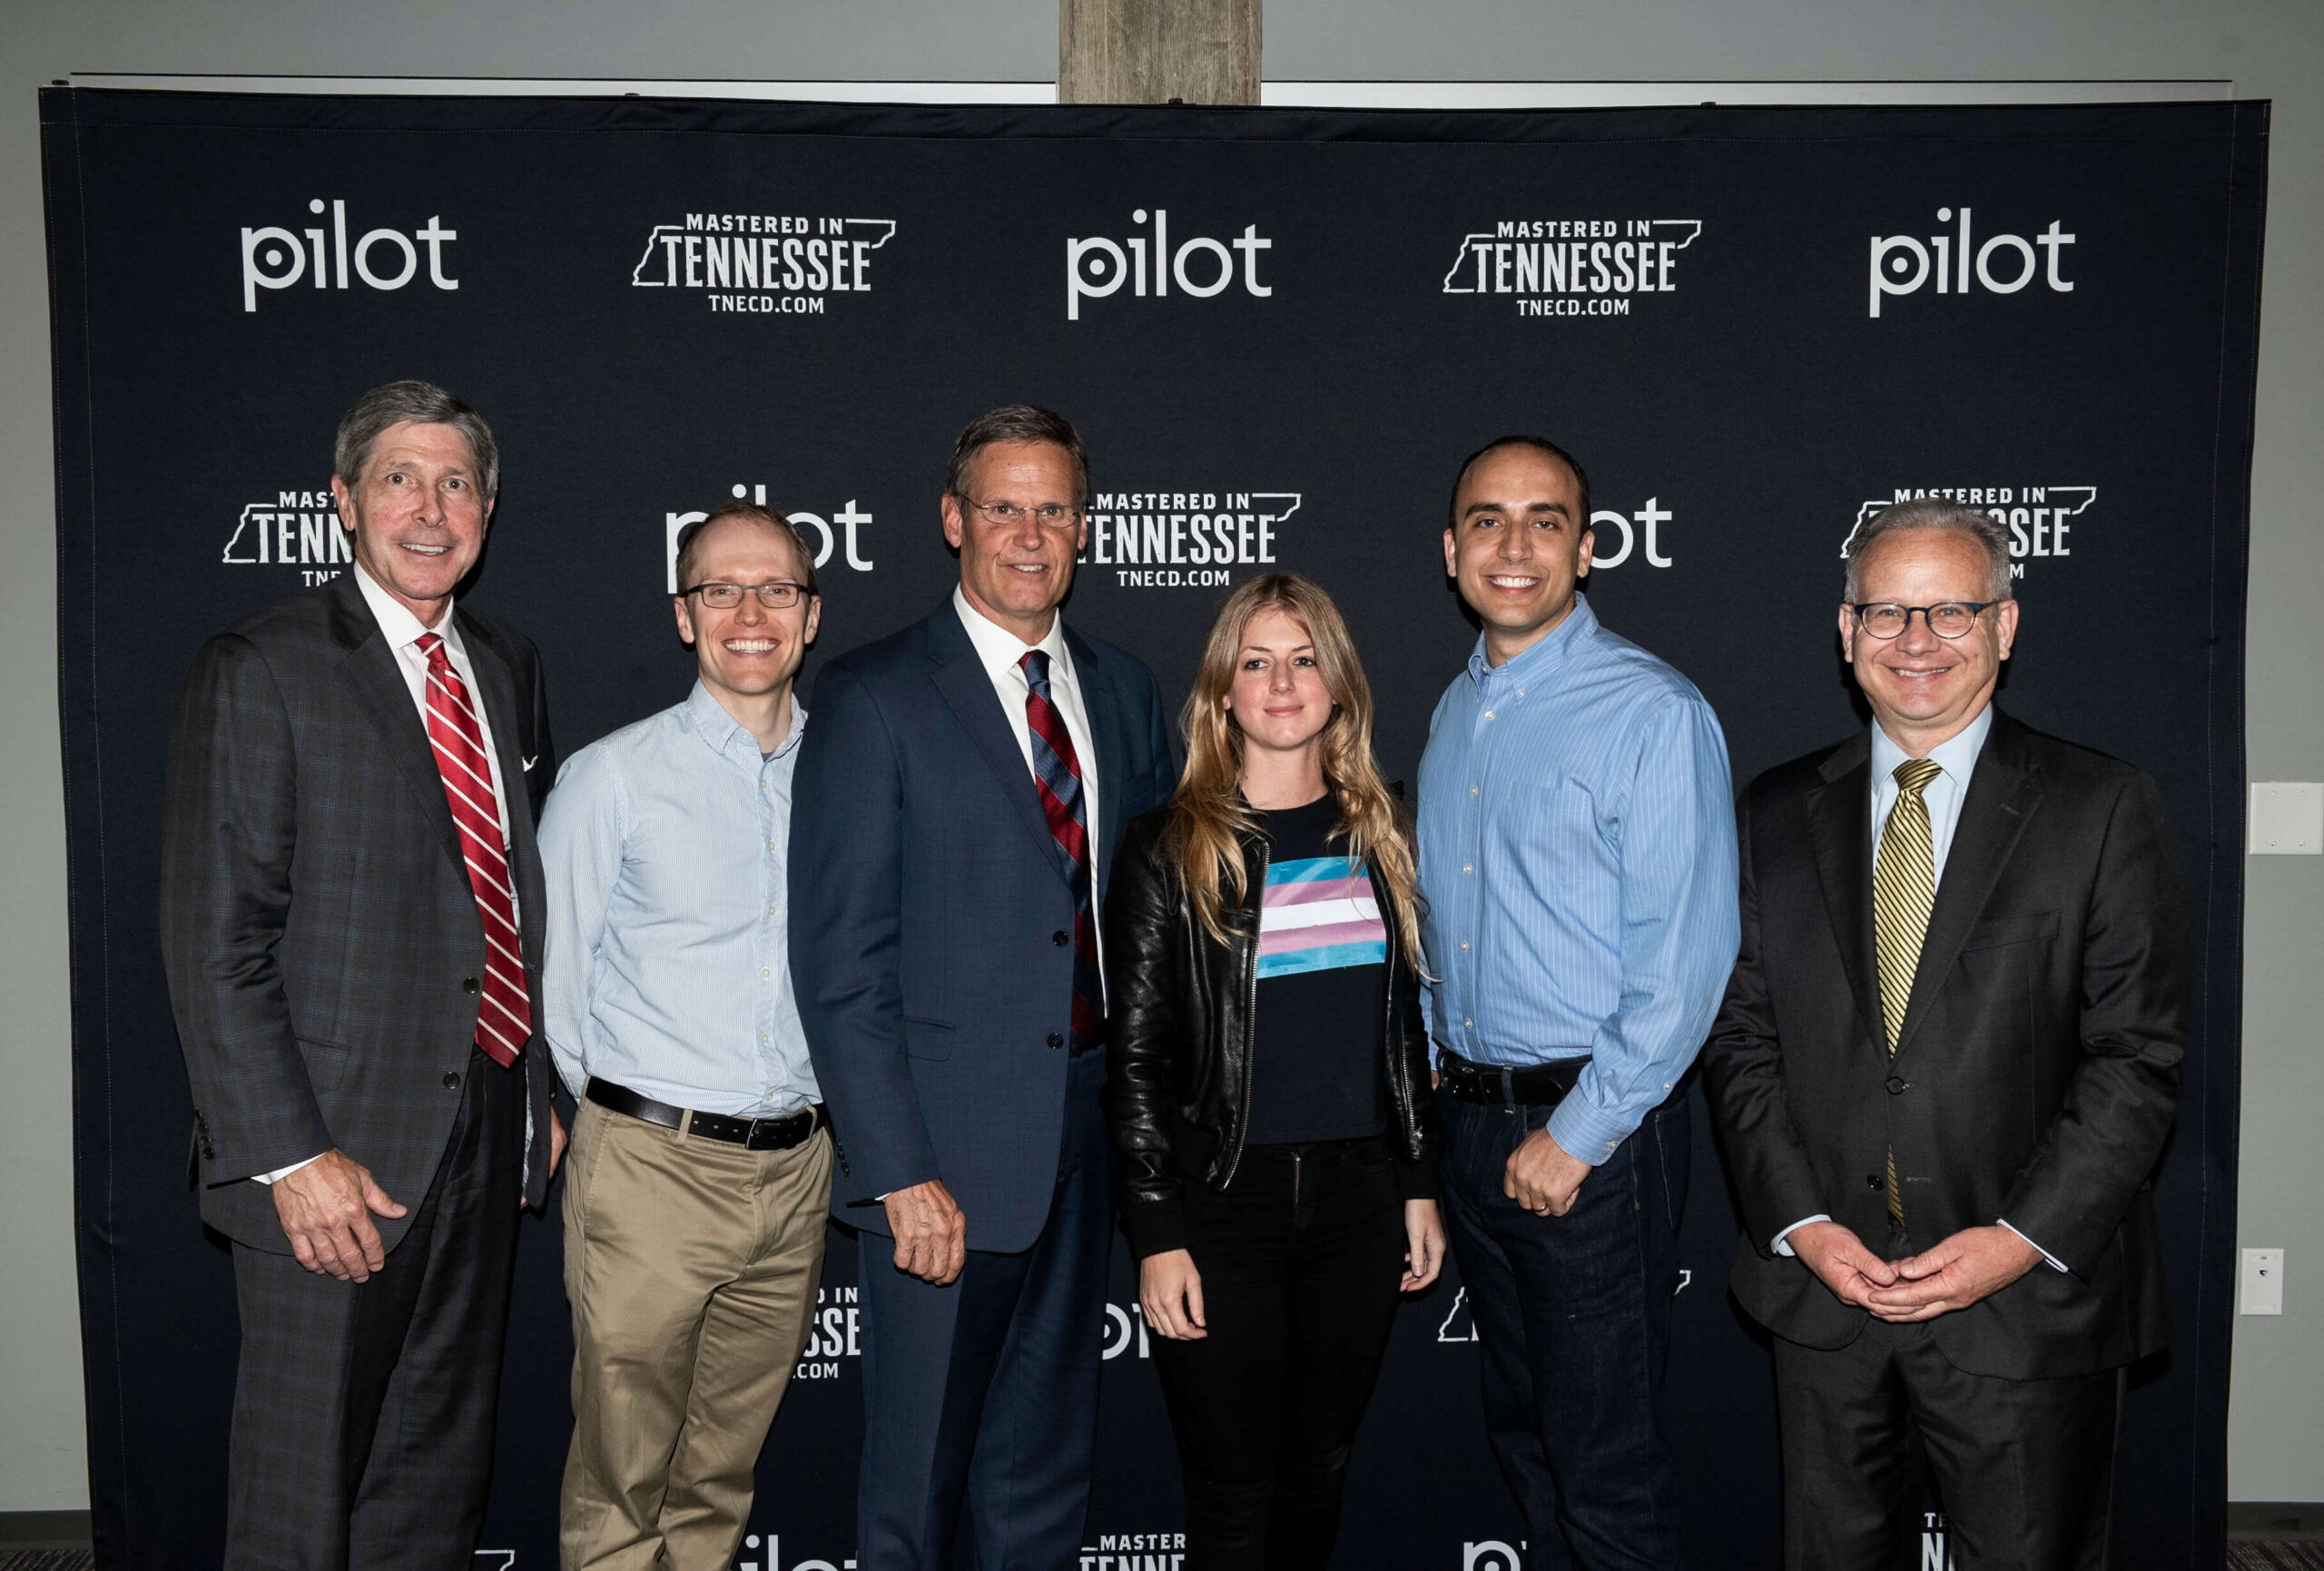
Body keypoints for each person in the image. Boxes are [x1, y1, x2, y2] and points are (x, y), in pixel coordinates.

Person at [1699, 497, 2190, 1568]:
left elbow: (2136, 1058)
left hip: (2026, 1305)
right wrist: (1805, 1228)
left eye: (1951, 611)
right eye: (1886, 613)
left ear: (2005, 626)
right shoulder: (1774, 812)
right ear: (1845, 630)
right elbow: (1740, 1041)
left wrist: (2013, 1243)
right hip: (1827, 1298)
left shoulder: (2101, 804)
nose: (1915, 642)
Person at [160, 380, 560, 1569]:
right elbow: (213, 936)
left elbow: (508, 896)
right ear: (343, 499)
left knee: (430, 1490)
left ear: (487, 505)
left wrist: (533, 1094)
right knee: (300, 1504)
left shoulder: (504, 661)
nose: (429, 508)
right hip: (328, 1159)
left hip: (482, 1136)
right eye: (399, 477)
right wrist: (288, 1154)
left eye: (456, 482)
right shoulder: (263, 667)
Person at [788, 405, 1177, 1569]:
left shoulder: (1121, 690)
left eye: (1052, 509)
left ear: (1085, 529)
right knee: (916, 1491)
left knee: (1043, 1476)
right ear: (952, 520)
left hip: (1088, 1136)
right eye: (1002, 506)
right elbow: (839, 962)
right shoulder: (872, 696)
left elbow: (1151, 922)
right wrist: (897, 1168)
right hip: (940, 1162)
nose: (1027, 533)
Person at [1416, 435, 1738, 1571]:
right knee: (1531, 1448)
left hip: (1591, 1142)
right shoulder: (1459, 715)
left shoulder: (1651, 712)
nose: (1514, 545)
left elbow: (1685, 964)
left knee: (1606, 1468)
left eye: (1543, 520)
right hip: (1476, 1129)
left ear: (1586, 548)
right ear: (1450, 549)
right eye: (1488, 521)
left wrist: (1581, 1135)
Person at [1106, 573, 1446, 1569]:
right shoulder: (1166, 850)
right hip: (1220, 1209)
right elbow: (1131, 1061)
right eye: (1256, 661)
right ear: (1222, 692)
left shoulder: (1381, 837)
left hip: (1358, 1205)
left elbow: (1406, 1030)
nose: (1282, 681)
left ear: (1338, 687)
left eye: (1304, 659)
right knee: (1228, 1495)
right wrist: (1157, 1231)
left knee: (1319, 1473)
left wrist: (1417, 1181)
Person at [539, 503, 835, 1570]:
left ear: (810, 617)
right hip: (651, 1170)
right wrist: (633, 1128)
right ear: (682, 615)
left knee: (719, 1474)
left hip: (799, 1171)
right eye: (720, 589)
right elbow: (555, 990)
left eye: (777, 591)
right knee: (622, 1480)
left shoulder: (848, 775)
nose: (749, 613)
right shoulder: (611, 778)